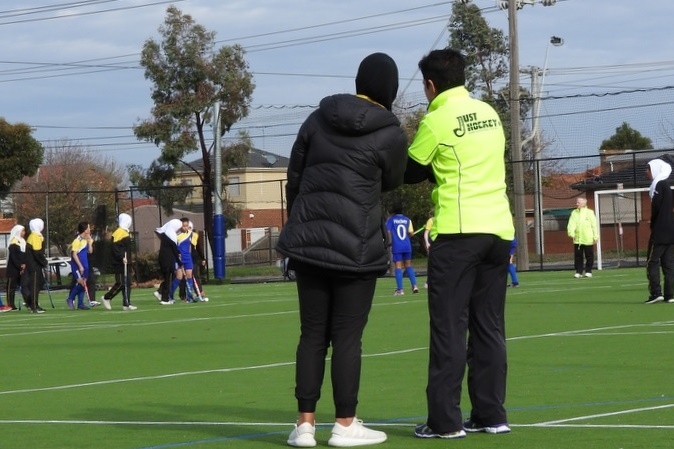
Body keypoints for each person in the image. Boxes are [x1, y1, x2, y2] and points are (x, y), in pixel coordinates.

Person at [276, 52, 408, 448]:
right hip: (358, 245)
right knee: (348, 337)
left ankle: (304, 425)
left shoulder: (317, 118)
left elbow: (294, 178)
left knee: (312, 334)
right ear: (390, 89)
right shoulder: (390, 131)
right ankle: (345, 425)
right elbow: (393, 181)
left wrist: (299, 228)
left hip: (309, 242)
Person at [403, 48, 514, 439]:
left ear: (430, 85)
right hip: (499, 229)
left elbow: (411, 170)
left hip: (459, 230)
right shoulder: (489, 113)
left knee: (449, 326)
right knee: (489, 326)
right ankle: (490, 414)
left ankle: (445, 421)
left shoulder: (436, 118)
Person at [644, 159, 674, 304]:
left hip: (660, 232)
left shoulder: (658, 185)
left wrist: (653, 224)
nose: (646, 172)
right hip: (671, 232)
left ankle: (656, 292)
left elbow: (656, 208)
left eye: (648, 169)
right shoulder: (667, 186)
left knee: (652, 262)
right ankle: (670, 295)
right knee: (668, 264)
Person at [102, 213, 137, 310]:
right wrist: (122, 257)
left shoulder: (125, 232)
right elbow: (116, 247)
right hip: (119, 262)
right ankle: (107, 297)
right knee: (121, 282)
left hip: (126, 261)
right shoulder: (119, 232)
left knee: (128, 282)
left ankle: (126, 303)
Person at [386, 202, 419, 295]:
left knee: (398, 266)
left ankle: (400, 289)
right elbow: (411, 233)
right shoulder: (407, 220)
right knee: (408, 265)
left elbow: (388, 232)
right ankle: (415, 286)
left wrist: (388, 242)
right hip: (407, 245)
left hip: (397, 246)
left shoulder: (391, 220)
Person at [65, 222, 94, 310]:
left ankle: (80, 303)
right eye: (88, 228)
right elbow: (74, 254)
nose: (90, 229)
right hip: (77, 265)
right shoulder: (77, 241)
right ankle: (70, 298)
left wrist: (90, 242)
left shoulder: (86, 240)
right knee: (81, 282)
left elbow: (90, 251)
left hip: (85, 265)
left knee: (83, 283)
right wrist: (80, 266)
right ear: (85, 230)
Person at [154, 218, 183, 305]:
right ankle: (165, 299)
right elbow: (174, 251)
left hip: (164, 259)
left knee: (167, 279)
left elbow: (173, 249)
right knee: (168, 279)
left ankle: (162, 295)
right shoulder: (171, 236)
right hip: (167, 260)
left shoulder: (166, 234)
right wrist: (180, 263)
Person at [567, 197, 598, 278]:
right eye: (577, 202)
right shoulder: (574, 213)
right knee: (578, 256)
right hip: (578, 239)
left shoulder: (590, 212)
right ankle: (578, 272)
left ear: (583, 204)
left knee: (589, 256)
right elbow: (571, 224)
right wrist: (571, 233)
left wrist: (596, 236)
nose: (577, 204)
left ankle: (588, 271)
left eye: (578, 202)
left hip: (588, 239)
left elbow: (594, 225)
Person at [24, 218, 49, 314]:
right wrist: (44, 262)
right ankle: (33, 305)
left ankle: (32, 303)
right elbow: (37, 252)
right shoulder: (35, 236)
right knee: (35, 285)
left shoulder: (35, 235)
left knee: (40, 283)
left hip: (34, 264)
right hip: (34, 265)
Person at [5, 224, 28, 311]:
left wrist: (24, 264)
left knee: (24, 286)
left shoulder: (22, 242)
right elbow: (14, 257)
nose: (23, 233)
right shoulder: (13, 242)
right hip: (13, 269)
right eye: (22, 231)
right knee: (11, 287)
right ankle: (10, 304)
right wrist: (19, 266)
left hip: (22, 268)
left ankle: (28, 302)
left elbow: (24, 255)